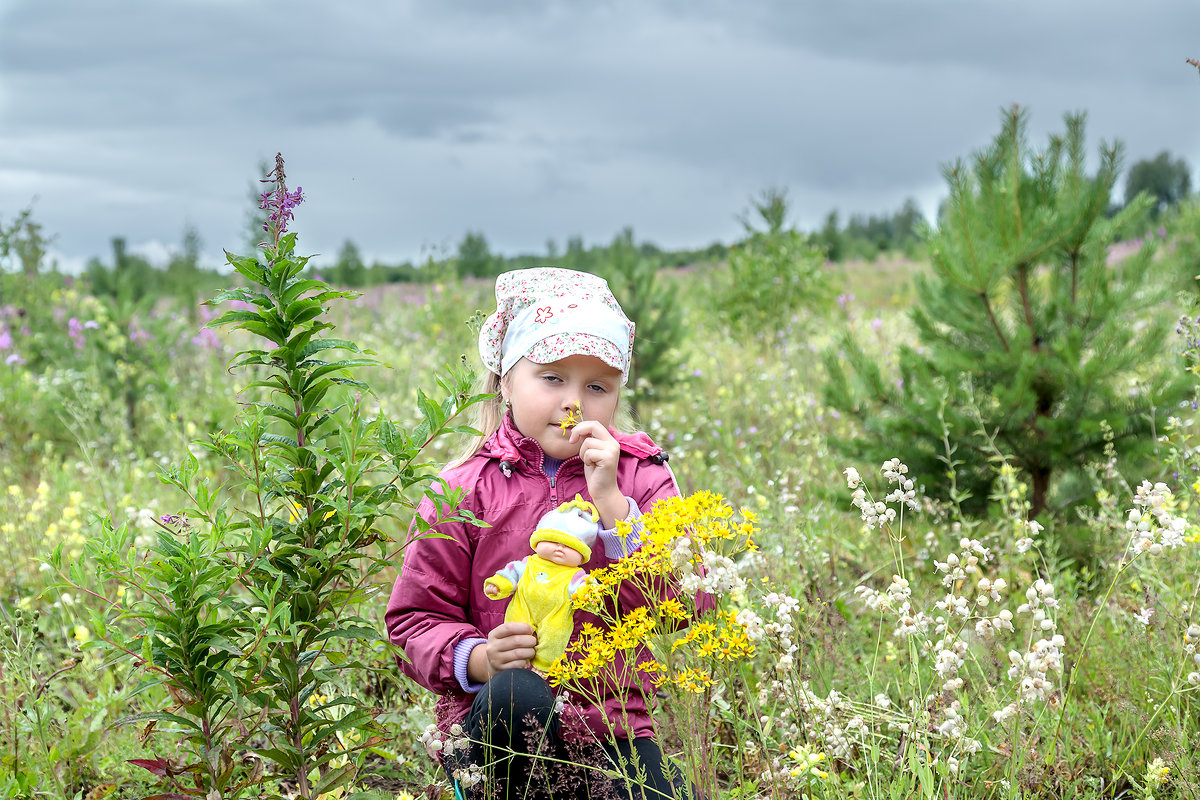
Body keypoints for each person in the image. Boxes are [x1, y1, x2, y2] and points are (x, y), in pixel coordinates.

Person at [386, 267, 691, 799]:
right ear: (506, 378)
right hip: (495, 728)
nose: (574, 403)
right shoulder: (461, 489)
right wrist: (479, 658)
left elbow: (680, 604)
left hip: (609, 728)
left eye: (597, 387)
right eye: (552, 378)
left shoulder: (641, 477)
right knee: (516, 691)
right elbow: (413, 619)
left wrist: (614, 508)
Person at [483, 496, 600, 674]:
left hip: (556, 613)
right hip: (524, 605)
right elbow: (511, 573)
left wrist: (590, 595)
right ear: (537, 542)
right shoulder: (528, 564)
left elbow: (584, 586)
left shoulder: (574, 574)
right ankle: (516, 662)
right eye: (553, 541)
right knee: (514, 632)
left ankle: (544, 667)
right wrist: (499, 584)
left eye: (569, 546)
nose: (559, 548)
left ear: (582, 554)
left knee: (555, 636)